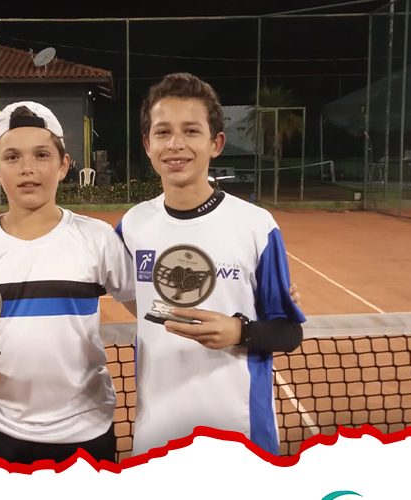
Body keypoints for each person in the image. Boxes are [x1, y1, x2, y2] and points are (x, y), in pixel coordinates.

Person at [0, 101, 136, 464]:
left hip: (85, 433)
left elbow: (148, 310)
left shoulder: (98, 239)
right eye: (12, 157)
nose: (27, 168)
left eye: (41, 155)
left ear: (63, 165)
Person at [117, 73, 306, 457]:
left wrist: (240, 331)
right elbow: (126, 294)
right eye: (163, 132)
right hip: (157, 433)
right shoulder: (132, 226)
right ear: (148, 144)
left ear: (215, 143)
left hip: (241, 433)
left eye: (191, 131)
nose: (175, 144)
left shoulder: (256, 226)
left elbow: (288, 332)